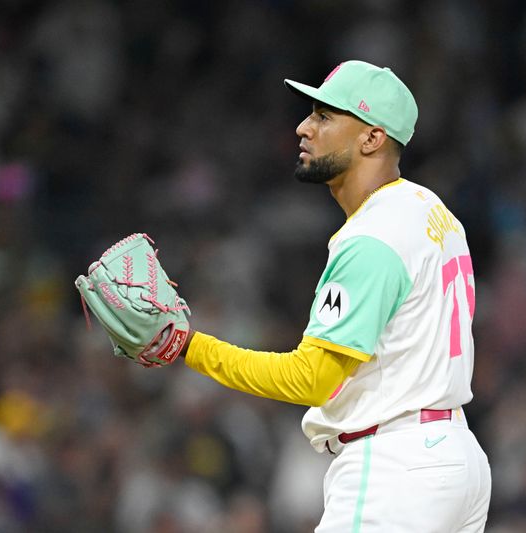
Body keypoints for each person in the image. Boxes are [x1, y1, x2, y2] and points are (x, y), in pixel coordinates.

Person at [179, 60, 491, 532]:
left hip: (395, 465)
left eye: (325, 116)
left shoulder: (372, 236)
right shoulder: (432, 211)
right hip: (455, 457)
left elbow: (313, 379)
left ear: (371, 138)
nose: (304, 127)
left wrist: (188, 347)